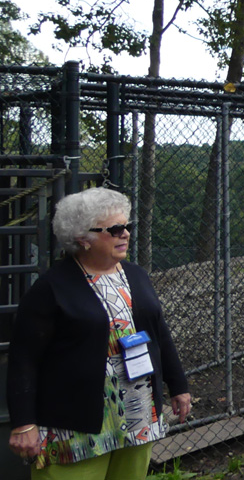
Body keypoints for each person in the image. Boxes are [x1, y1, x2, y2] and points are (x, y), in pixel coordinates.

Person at [6, 187, 191, 479]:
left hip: (137, 414)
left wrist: (178, 385)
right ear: (83, 239)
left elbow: (159, 333)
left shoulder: (136, 275)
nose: (125, 234)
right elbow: (23, 359)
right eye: (115, 229)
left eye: (127, 226)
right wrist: (24, 423)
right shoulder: (51, 288)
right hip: (74, 427)